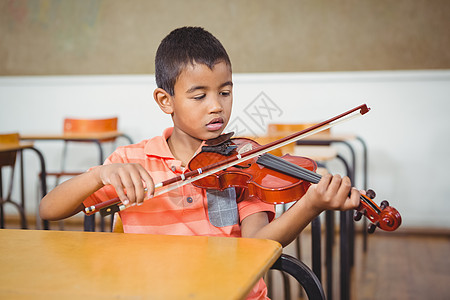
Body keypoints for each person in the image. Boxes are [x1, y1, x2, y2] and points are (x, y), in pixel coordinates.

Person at [40, 26, 360, 299]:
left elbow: (256, 245)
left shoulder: (244, 163)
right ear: (166, 101)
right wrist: (99, 175)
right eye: (199, 96)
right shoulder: (130, 161)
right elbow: (49, 210)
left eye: (224, 92)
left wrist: (310, 205)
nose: (216, 107)